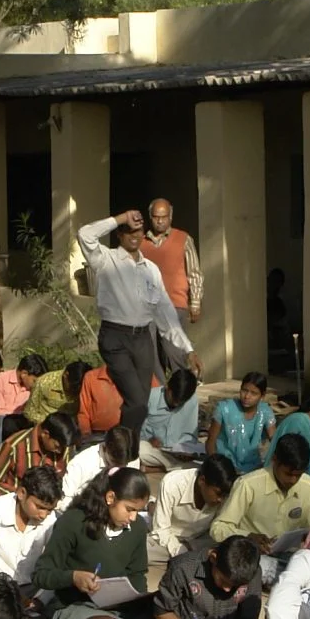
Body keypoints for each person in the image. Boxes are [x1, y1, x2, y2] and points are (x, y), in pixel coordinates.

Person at [77, 209, 199, 431]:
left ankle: (127, 450)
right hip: (115, 338)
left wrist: (187, 349)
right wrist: (121, 219)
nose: (134, 236)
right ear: (119, 235)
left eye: (139, 231)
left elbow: (166, 314)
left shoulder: (151, 270)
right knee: (137, 401)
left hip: (143, 339)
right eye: (128, 231)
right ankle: (119, 450)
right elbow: (85, 234)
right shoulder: (106, 259)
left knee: (141, 403)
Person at [32, 468, 152, 619]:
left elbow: (137, 574)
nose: (133, 517)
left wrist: (139, 600)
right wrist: (73, 577)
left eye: (138, 511)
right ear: (110, 498)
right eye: (130, 509)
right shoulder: (73, 522)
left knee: (166, 611)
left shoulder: (137, 528)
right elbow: (41, 574)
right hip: (76, 608)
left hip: (120, 609)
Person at [206, 434, 310, 578]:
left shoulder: (309, 487)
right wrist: (247, 537)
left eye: (298, 475)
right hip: (251, 555)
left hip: (290, 557)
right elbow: (218, 528)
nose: (293, 480)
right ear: (275, 459)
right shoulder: (248, 484)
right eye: (288, 474)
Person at [148, 455, 233, 565]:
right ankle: (151, 506)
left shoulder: (225, 495)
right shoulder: (173, 483)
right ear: (202, 481)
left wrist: (190, 547)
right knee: (142, 552)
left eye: (224, 495)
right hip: (170, 537)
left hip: (198, 541)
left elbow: (221, 530)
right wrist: (181, 550)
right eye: (217, 493)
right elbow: (161, 530)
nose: (221, 500)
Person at [137, 197, 202, 324]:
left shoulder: (183, 239)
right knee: (148, 344)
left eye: (164, 217)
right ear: (150, 217)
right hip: (147, 309)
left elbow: (194, 273)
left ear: (170, 217)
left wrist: (195, 303)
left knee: (171, 344)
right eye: (156, 217)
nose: (160, 221)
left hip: (174, 306)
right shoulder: (141, 243)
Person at [204, 373, 277, 473]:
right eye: (244, 390)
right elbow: (211, 442)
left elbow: (274, 439)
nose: (247, 396)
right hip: (226, 466)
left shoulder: (265, 411)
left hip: (254, 467)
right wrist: (215, 467)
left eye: (253, 393)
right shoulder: (224, 409)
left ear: (262, 396)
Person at [138, 367, 202, 468]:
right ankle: (174, 467)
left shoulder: (192, 401)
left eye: (181, 402)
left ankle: (167, 467)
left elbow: (191, 434)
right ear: (167, 386)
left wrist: (186, 451)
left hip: (180, 453)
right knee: (141, 450)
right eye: (174, 398)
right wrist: (149, 440)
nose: (176, 404)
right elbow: (138, 430)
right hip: (156, 451)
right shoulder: (150, 398)